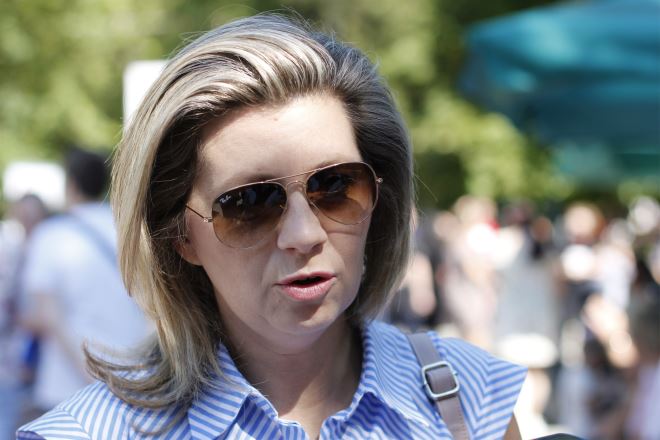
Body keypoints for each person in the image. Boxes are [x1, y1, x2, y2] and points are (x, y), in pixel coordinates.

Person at [18, 14, 526, 439]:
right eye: (249, 204)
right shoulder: (89, 432)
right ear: (180, 237)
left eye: (336, 186)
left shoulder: (468, 399)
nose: (304, 235)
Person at [17, 148, 150, 417]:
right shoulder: (130, 231)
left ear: (71, 184)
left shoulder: (51, 235)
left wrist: (90, 374)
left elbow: (46, 315)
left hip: (67, 392)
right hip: (130, 382)